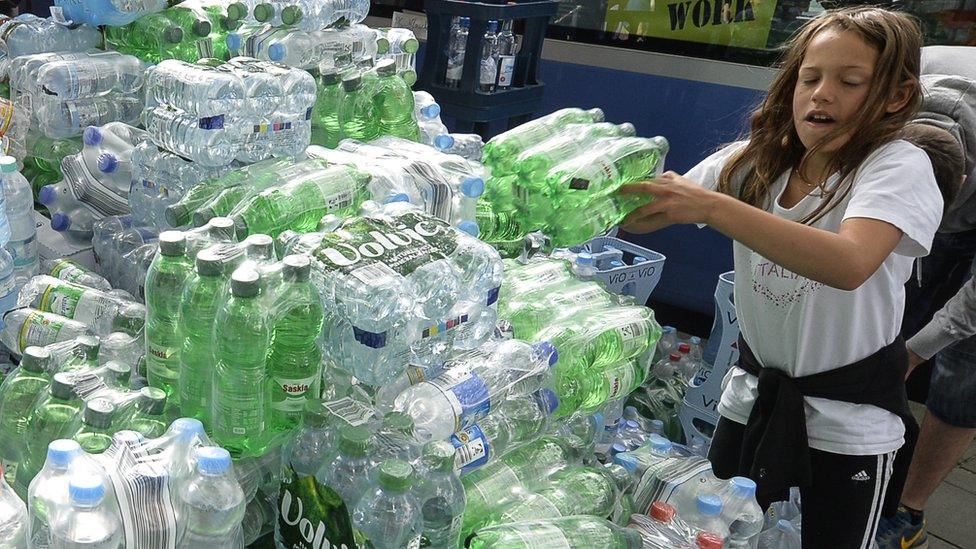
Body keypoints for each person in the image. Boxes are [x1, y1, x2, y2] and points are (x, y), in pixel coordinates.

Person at [619, 7, 942, 548]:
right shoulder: (756, 162)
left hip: (849, 423)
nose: (821, 94)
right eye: (809, 77)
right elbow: (647, 213)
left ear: (895, 96)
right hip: (751, 399)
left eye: (850, 81)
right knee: (714, 534)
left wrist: (715, 207)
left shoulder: (896, 167)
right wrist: (599, 182)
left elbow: (849, 262)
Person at [875, 62, 976, 549]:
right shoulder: (876, 110)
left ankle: (907, 510)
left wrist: (916, 352)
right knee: (885, 318)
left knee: (964, 371)